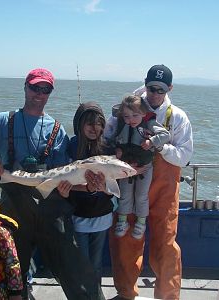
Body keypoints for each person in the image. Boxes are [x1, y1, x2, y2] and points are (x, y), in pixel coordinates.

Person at [0, 68, 105, 300]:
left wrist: (83, 187)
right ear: (25, 87)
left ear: (50, 93)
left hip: (51, 207)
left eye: (45, 89)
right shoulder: (4, 120)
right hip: (14, 207)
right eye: (35, 87)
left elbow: (63, 175)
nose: (39, 93)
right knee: (13, 271)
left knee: (76, 269)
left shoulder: (57, 129)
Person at [106, 65, 193, 300]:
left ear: (169, 89)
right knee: (124, 238)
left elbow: (184, 157)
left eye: (160, 89)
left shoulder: (177, 117)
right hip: (129, 182)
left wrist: (160, 146)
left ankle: (168, 295)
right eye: (151, 87)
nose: (154, 93)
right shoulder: (125, 109)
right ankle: (126, 292)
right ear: (145, 84)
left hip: (164, 190)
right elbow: (107, 137)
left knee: (165, 242)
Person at [106, 95, 170, 240]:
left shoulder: (149, 123)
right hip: (125, 167)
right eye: (127, 116)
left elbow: (165, 135)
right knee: (124, 194)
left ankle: (141, 223)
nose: (131, 120)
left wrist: (152, 141)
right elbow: (110, 139)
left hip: (144, 167)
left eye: (135, 115)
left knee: (141, 196)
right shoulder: (120, 123)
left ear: (143, 113)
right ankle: (122, 221)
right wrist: (115, 150)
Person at [67, 102, 114, 282]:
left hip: (101, 215)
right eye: (89, 123)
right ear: (79, 124)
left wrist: (104, 188)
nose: (95, 128)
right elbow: (64, 181)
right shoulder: (72, 146)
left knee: (95, 263)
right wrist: (85, 187)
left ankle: (95, 293)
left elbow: (114, 188)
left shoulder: (108, 147)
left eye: (99, 123)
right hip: (78, 215)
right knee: (81, 262)